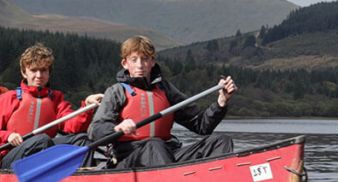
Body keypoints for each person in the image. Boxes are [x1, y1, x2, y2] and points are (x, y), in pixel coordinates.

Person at [88, 35, 237, 169]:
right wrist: (116, 128)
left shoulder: (166, 90)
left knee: (220, 141)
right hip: (129, 158)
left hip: (166, 153)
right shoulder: (116, 91)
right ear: (125, 64)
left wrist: (221, 102)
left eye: (145, 59)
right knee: (154, 144)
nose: (140, 65)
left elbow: (202, 125)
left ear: (153, 61)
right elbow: (95, 131)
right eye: (134, 60)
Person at [0, 43, 101, 169]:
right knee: (42, 140)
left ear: (49, 72)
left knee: (83, 140)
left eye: (43, 70)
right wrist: (8, 136)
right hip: (12, 157)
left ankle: (80, 180)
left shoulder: (55, 99)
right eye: (33, 71)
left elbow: (73, 126)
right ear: (24, 73)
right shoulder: (10, 98)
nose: (39, 76)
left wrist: (87, 107)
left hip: (44, 149)